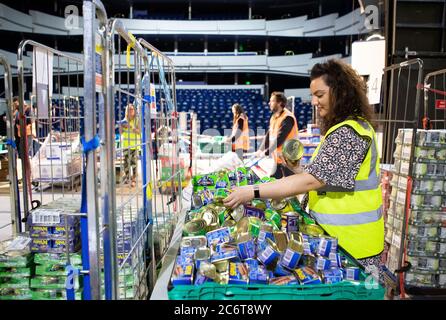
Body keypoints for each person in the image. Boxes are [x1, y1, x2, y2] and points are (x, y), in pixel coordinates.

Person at [224, 59, 384, 280]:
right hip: (339, 242)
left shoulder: (349, 132)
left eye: (320, 95)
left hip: (354, 248)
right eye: (313, 96)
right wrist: (299, 170)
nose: (314, 102)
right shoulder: (345, 129)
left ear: (341, 92)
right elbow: (328, 178)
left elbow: (312, 181)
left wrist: (253, 191)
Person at [256, 91, 298, 179]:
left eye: (272, 101)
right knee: (273, 180)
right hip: (278, 157)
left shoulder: (287, 117)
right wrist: (260, 149)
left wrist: (266, 152)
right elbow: (269, 134)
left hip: (288, 158)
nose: (269, 103)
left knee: (290, 184)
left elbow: (280, 138)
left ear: (279, 103)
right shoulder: (274, 117)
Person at [120, 103, 141, 188]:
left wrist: (131, 127)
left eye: (132, 109)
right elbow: (121, 133)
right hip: (126, 145)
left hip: (135, 145)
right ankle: (128, 178)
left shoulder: (137, 120)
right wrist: (121, 126)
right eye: (129, 109)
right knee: (126, 164)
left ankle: (134, 180)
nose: (130, 111)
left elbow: (139, 131)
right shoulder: (124, 120)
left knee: (134, 164)